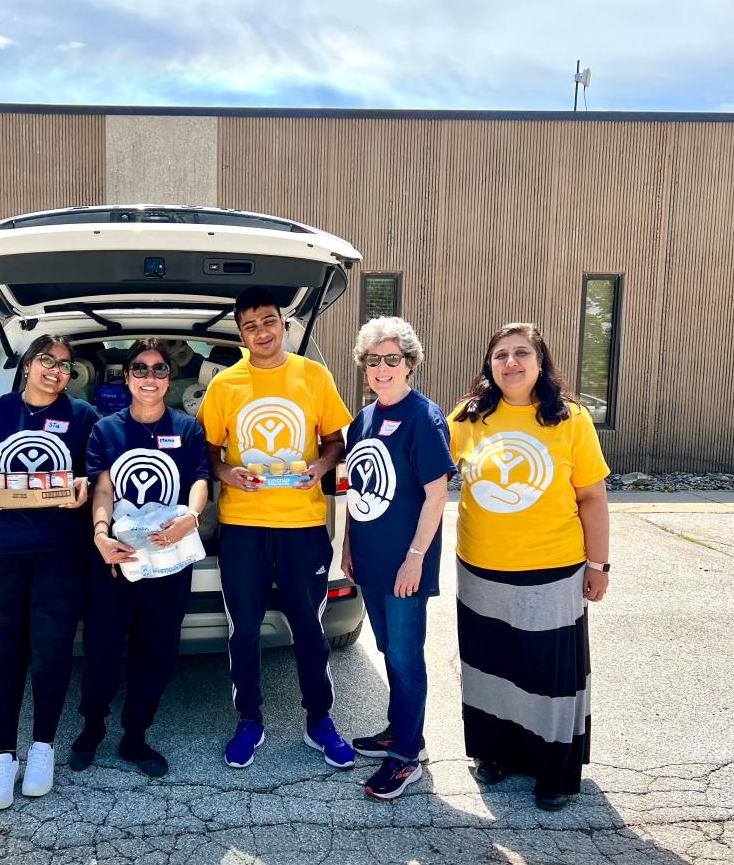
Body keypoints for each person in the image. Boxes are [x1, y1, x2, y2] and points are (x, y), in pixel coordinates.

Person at [448, 322, 611, 812]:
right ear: (489, 365)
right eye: (501, 355)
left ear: (541, 363)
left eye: (522, 353)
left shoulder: (570, 420)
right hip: (478, 569)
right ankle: (495, 755)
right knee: (490, 668)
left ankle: (554, 772)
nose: (511, 363)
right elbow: (426, 471)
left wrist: (599, 564)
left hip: (552, 569)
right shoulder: (468, 417)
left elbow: (592, 496)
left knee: (549, 676)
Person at [197, 286, 355, 770]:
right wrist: (227, 474)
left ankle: (320, 722)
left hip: (303, 523)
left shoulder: (314, 375)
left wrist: (320, 466)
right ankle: (249, 720)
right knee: (243, 627)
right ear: (240, 334)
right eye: (249, 326)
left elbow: (336, 442)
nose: (261, 332)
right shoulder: (226, 385)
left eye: (268, 321)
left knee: (309, 626)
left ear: (283, 322)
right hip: (243, 524)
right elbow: (207, 453)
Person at [0, 335, 95, 811]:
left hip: (59, 552)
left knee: (51, 651)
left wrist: (83, 487)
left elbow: (97, 475)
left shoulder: (82, 417)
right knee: (6, 652)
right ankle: (3, 755)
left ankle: (42, 748)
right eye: (47, 361)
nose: (55, 371)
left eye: (66, 366)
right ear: (29, 365)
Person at [69, 339, 210, 778]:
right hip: (117, 559)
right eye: (141, 369)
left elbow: (200, 480)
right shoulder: (105, 430)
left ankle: (135, 737)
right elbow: (104, 489)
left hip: (168, 561)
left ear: (169, 378)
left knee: (158, 652)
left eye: (160, 370)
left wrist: (191, 516)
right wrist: (99, 534)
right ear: (127, 377)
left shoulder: (187, 428)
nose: (151, 378)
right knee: (103, 650)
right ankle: (92, 727)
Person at [340, 317, 456, 800]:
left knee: (406, 658)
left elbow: (436, 496)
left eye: (392, 359)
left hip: (405, 566)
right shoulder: (363, 420)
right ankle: (399, 731)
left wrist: (415, 559)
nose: (382, 368)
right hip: (369, 561)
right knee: (390, 651)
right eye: (373, 360)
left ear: (410, 364)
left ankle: (406, 756)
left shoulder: (424, 418)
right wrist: (347, 545)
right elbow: (356, 489)